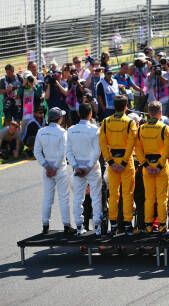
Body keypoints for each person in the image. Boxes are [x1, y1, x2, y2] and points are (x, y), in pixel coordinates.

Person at [99, 95, 138, 235]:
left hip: (112, 163)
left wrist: (110, 161)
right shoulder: (130, 122)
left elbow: (102, 143)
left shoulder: (106, 122)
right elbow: (131, 144)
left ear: (114, 106)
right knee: (127, 194)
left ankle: (114, 224)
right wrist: (123, 161)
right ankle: (128, 225)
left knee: (113, 194)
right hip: (126, 163)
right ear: (126, 107)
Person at [34, 107, 74, 234]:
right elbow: (63, 153)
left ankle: (45, 225)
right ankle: (66, 225)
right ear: (60, 119)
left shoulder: (41, 132)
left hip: (47, 169)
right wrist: (55, 168)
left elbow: (37, 152)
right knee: (64, 197)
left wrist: (47, 166)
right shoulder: (63, 132)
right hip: (59, 169)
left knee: (47, 197)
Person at [135, 101, 169, 233]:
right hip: (161, 167)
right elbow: (168, 149)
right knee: (162, 197)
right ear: (160, 113)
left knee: (149, 198)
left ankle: (149, 225)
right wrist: (160, 165)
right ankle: (162, 225)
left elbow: (137, 150)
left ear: (149, 113)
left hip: (147, 167)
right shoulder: (165, 128)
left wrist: (146, 165)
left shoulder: (141, 129)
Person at [66, 103, 103, 235]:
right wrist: (87, 167)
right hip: (92, 168)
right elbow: (97, 152)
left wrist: (77, 167)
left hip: (78, 168)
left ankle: (79, 227)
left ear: (78, 113)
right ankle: (98, 227)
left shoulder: (70, 130)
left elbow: (68, 152)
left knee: (77, 198)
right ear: (91, 114)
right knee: (96, 197)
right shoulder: (95, 129)